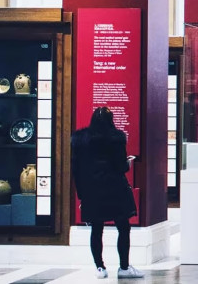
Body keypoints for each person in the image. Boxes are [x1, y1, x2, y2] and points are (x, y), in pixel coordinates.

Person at [71, 107, 143, 279]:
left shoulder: (80, 140)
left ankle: (100, 268)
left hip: (92, 190)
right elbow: (120, 166)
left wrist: (82, 194)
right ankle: (124, 267)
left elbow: (76, 170)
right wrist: (129, 164)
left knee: (96, 229)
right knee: (123, 227)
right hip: (114, 188)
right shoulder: (116, 139)